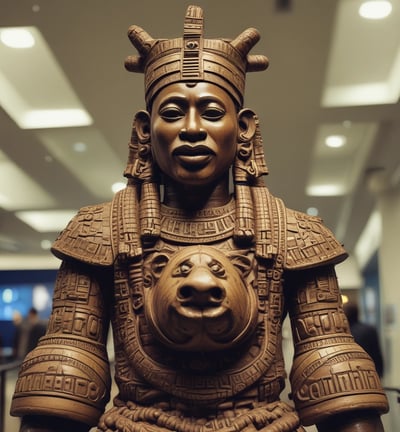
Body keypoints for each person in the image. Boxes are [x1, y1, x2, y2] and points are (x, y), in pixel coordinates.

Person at [11, 5, 388, 432]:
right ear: (143, 130)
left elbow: (336, 379)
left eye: (211, 112)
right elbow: (64, 377)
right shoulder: (97, 233)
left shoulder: (296, 235)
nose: (192, 128)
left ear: (243, 128)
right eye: (172, 113)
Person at [344, 302, 384, 377]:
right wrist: (379, 372)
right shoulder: (369, 329)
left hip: (352, 373)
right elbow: (377, 354)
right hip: (370, 370)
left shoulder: (345, 333)